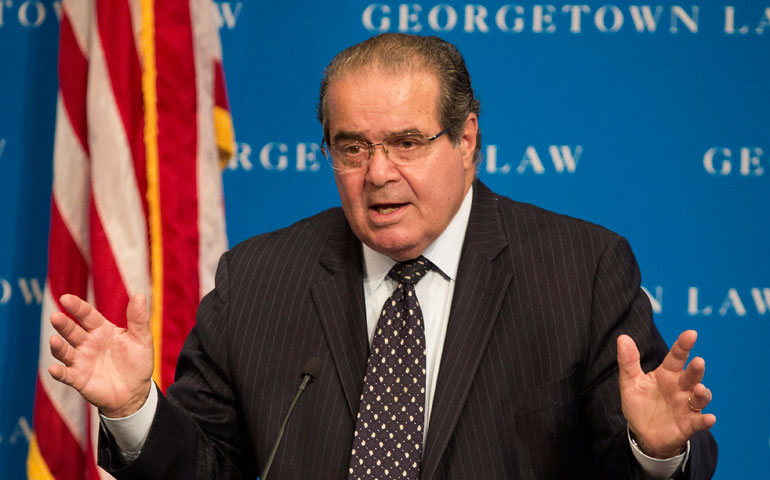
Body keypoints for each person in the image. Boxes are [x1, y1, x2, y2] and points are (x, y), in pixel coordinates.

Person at [48, 33, 717, 479]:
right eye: (352, 147)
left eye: (407, 142)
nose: (378, 174)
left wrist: (655, 452)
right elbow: (204, 467)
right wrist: (137, 409)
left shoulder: (580, 269)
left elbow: (642, 447)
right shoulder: (257, 280)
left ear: (467, 139)